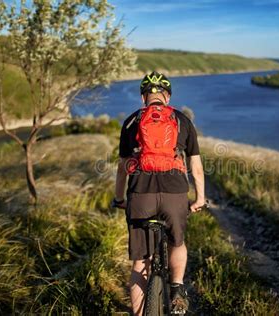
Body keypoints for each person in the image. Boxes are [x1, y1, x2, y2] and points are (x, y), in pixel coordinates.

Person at [113, 71, 206, 315]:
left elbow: (123, 168)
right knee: (178, 242)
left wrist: (119, 198)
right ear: (167, 96)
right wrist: (200, 198)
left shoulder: (132, 122)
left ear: (144, 97)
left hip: (140, 195)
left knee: (140, 262)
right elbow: (196, 167)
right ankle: (176, 288)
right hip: (174, 194)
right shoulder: (182, 120)